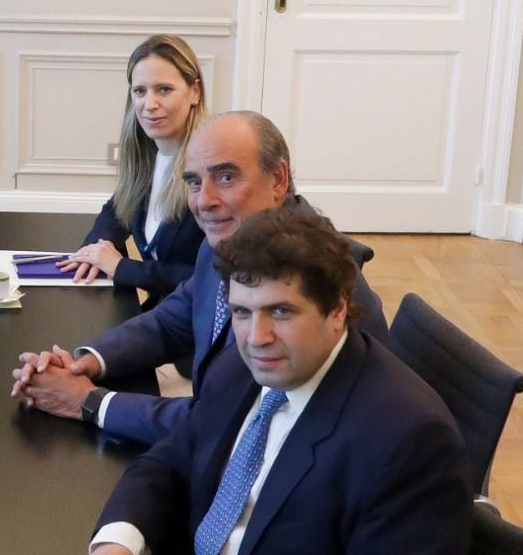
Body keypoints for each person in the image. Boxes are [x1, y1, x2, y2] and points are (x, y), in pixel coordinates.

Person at [89, 206, 470, 555]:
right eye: (242, 311)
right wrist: (118, 541)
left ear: (337, 309)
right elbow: (174, 457)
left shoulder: (409, 444)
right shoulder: (240, 366)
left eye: (281, 312)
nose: (257, 337)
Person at [10, 110, 389, 445]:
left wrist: (88, 400)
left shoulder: (310, 281)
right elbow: (170, 322)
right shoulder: (229, 241)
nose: (204, 201)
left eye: (225, 177)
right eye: (193, 182)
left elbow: (224, 424)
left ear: (278, 179)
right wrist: (84, 363)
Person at [61, 35, 207, 305]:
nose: (149, 104)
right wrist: (95, 249)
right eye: (140, 91)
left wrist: (123, 268)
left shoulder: (208, 171)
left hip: (193, 321)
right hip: (162, 314)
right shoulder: (148, 156)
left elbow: (213, 280)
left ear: (195, 92)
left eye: (164, 90)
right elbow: (117, 209)